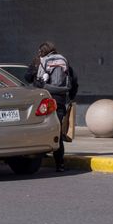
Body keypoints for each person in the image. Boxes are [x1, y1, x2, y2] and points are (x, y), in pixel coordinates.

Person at [26, 40, 80, 172]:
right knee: (57, 131)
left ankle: (38, 158)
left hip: (42, 101)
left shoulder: (39, 62)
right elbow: (74, 81)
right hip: (59, 100)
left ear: (41, 52)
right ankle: (60, 165)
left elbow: (27, 77)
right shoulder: (63, 62)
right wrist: (71, 97)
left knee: (39, 129)